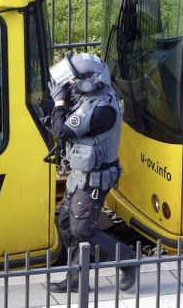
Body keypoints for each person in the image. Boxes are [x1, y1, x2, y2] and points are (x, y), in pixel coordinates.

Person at [46, 52, 137, 293]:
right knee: (66, 224)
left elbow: (63, 131)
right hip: (80, 175)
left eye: (75, 79)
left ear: (91, 79)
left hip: (95, 177)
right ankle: (76, 279)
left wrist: (58, 103)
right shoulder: (87, 97)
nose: (70, 84)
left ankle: (127, 259)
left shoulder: (101, 109)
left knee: (82, 229)